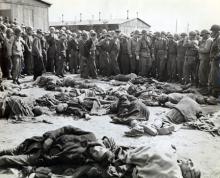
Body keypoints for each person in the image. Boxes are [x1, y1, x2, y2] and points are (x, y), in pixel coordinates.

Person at [198, 29, 212, 94]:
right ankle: (204, 88)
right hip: (203, 59)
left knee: (204, 74)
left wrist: (198, 49)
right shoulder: (206, 40)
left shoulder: (209, 40)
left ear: (207, 34)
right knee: (202, 73)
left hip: (205, 59)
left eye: (203, 35)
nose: (202, 36)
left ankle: (205, 89)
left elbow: (206, 50)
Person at [209, 24, 220, 97]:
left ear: (216, 31)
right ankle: (214, 91)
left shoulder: (219, 38)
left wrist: (215, 57)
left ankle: (216, 93)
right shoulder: (216, 38)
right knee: (213, 76)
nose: (211, 33)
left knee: (216, 76)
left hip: (217, 61)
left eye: (212, 31)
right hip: (214, 60)